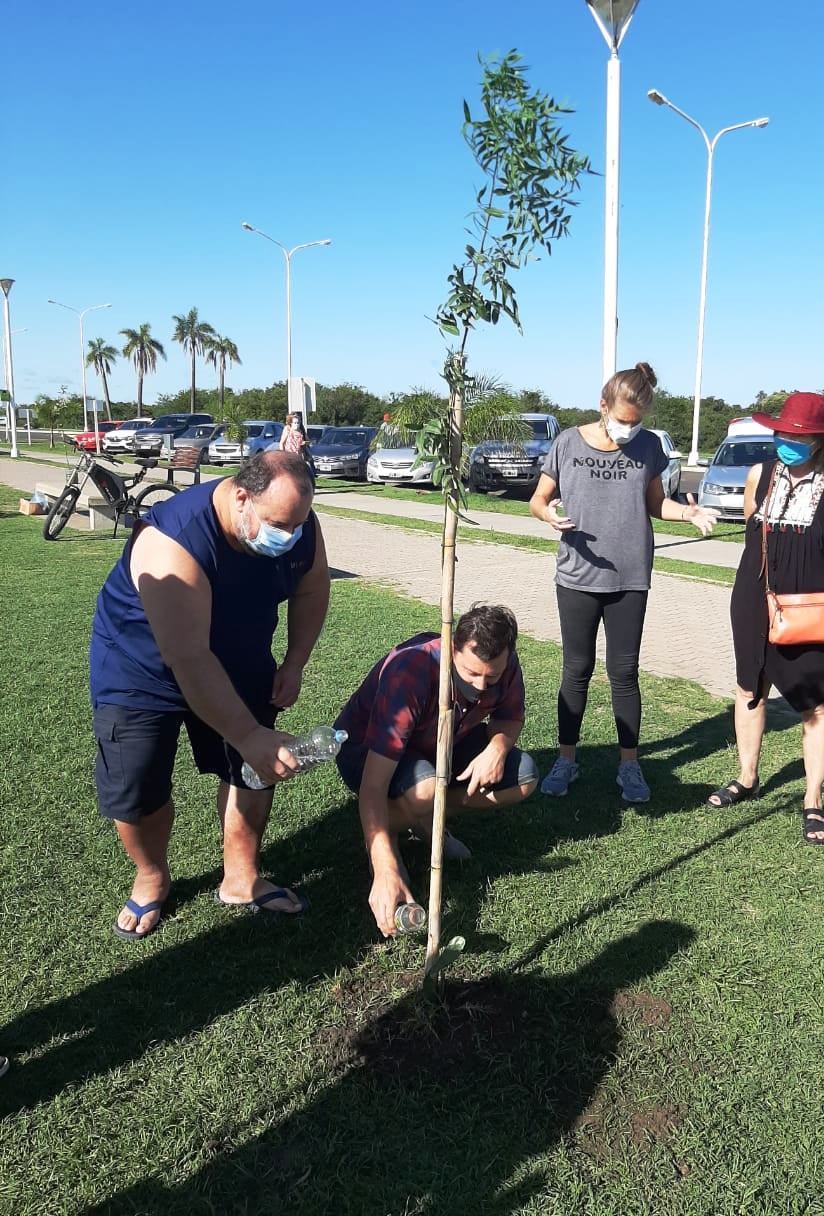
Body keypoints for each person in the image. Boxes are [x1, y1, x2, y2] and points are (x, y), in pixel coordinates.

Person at [90, 451, 331, 939]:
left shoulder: (298, 525)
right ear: (241, 496)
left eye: (298, 525)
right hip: (143, 667)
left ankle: (241, 877)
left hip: (240, 655)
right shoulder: (172, 542)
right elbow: (190, 659)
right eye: (278, 525)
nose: (288, 537)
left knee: (251, 771)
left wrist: (295, 660)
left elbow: (312, 587)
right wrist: (247, 732)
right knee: (136, 787)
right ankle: (151, 875)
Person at [530, 363, 718, 803]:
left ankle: (629, 767)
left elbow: (657, 505)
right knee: (576, 669)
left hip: (631, 577)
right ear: (603, 406)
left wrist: (687, 513)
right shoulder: (567, 443)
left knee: (624, 672)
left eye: (636, 422)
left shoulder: (650, 447)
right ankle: (566, 760)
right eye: (622, 420)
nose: (628, 429)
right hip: (577, 575)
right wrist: (548, 515)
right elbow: (538, 499)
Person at [710, 391, 824, 844]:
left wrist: (807, 593)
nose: (786, 441)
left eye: (797, 435)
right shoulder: (761, 475)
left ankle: (814, 799)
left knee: (816, 702)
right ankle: (747, 776)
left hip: (812, 609)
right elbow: (753, 538)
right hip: (755, 599)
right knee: (750, 689)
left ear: (819, 440)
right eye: (782, 432)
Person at [334, 604, 539, 937]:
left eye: (493, 676)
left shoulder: (505, 663)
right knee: (427, 789)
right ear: (453, 648)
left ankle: (425, 818)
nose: (482, 685)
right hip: (365, 750)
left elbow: (509, 716)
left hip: (443, 742)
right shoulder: (410, 672)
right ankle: (385, 837)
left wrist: (497, 749)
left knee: (523, 777)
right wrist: (383, 868)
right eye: (471, 674)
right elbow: (373, 784)